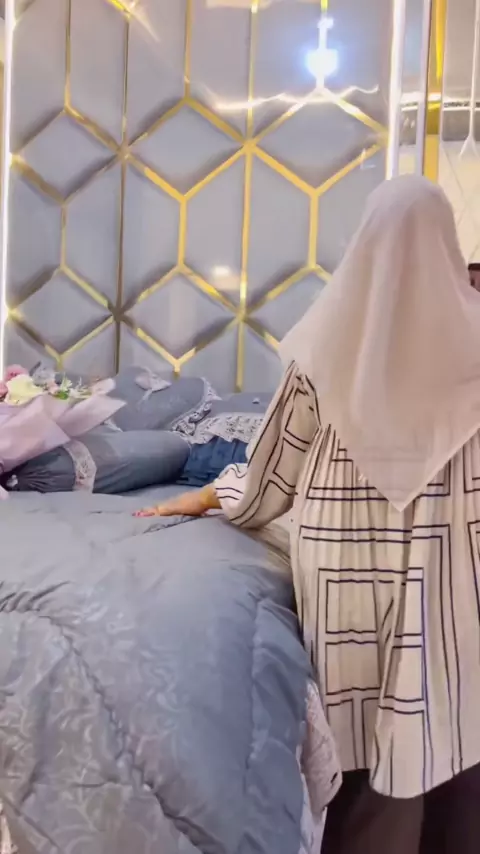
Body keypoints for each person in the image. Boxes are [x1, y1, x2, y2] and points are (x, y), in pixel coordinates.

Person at [135, 176, 480, 853]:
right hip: (453, 566)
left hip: (342, 565)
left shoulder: (325, 344)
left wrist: (212, 494)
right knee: (454, 713)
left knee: (360, 743)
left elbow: (271, 480)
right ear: (447, 240)